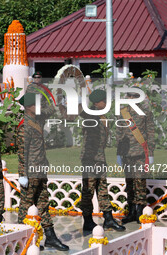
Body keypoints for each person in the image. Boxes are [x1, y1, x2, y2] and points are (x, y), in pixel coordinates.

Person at [17, 93, 69, 251]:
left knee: (43, 203)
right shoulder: (24, 126)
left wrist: (58, 99)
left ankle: (50, 237)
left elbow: (50, 111)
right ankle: (20, 238)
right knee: (26, 206)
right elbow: (22, 153)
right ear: (28, 107)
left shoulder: (36, 119)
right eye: (36, 104)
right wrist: (23, 174)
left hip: (40, 169)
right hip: (30, 171)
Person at [80, 89, 125, 232]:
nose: (106, 103)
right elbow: (81, 111)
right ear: (97, 102)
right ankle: (87, 221)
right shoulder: (90, 114)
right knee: (88, 190)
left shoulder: (102, 115)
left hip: (99, 158)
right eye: (104, 101)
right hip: (90, 159)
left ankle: (108, 219)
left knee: (102, 189)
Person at [116, 88, 155, 224]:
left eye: (134, 96)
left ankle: (140, 211)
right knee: (130, 183)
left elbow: (150, 133)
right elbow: (119, 134)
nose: (131, 98)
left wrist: (150, 154)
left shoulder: (146, 112)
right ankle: (131, 211)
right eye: (129, 96)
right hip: (126, 154)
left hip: (140, 153)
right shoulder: (123, 113)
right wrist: (119, 153)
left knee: (140, 182)